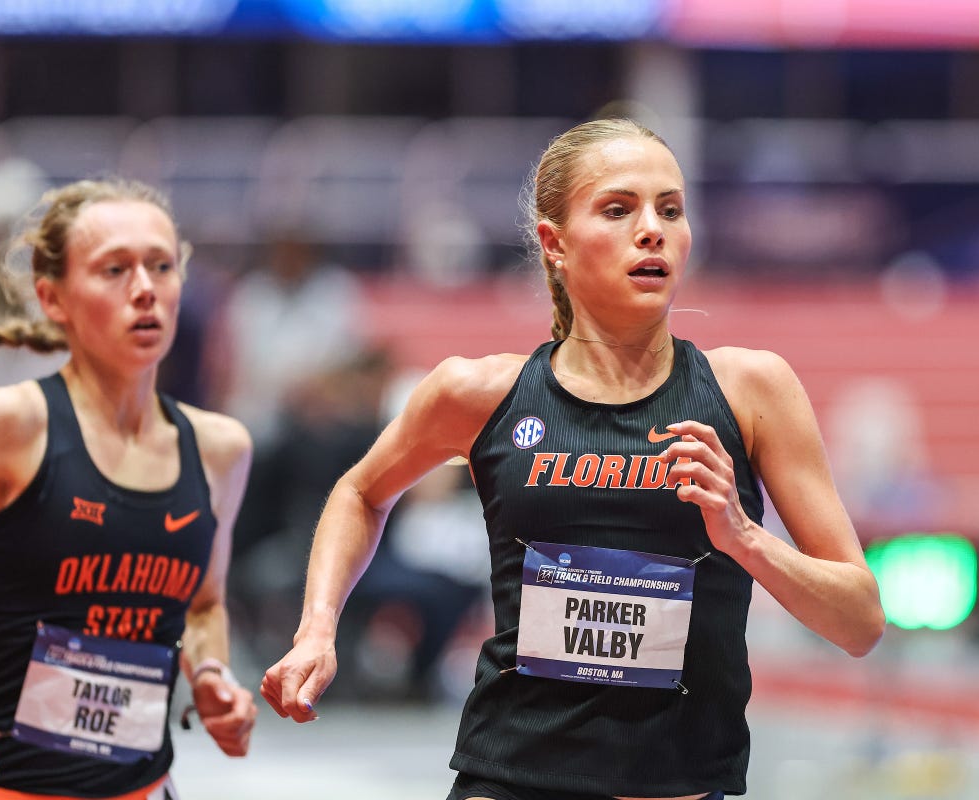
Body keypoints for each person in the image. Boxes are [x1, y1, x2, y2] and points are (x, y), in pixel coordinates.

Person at [261, 117, 886, 800]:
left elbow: (859, 623)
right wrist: (317, 630)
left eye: (670, 210)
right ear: (554, 245)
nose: (652, 230)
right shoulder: (478, 392)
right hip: (510, 778)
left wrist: (744, 538)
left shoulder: (751, 391)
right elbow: (360, 492)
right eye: (618, 209)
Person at [0, 177, 257, 800]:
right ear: (53, 299)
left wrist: (209, 671)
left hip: (145, 786)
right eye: (114, 269)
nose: (144, 289)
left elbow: (204, 603)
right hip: (1, 788)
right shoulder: (9, 426)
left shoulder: (220, 449)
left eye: (161, 266)